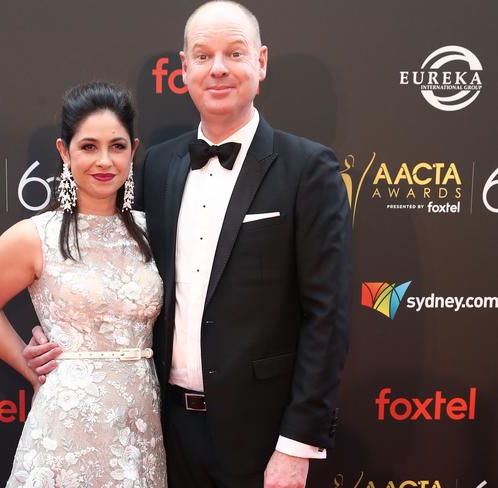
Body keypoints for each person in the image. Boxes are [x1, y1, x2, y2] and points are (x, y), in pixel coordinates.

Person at [25, 2, 352, 487]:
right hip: (164, 431)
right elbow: (114, 264)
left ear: (260, 63)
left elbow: (328, 315)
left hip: (264, 438)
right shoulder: (157, 165)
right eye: (202, 56)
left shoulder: (309, 169)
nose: (217, 68)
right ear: (184, 70)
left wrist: (297, 445)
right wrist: (62, 340)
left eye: (234, 53)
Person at [0, 81, 167, 488]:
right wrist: (29, 365)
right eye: (89, 146)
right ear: (65, 151)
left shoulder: (152, 232)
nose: (104, 160)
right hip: (67, 425)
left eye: (118, 146)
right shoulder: (33, 236)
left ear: (134, 150)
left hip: (140, 421)